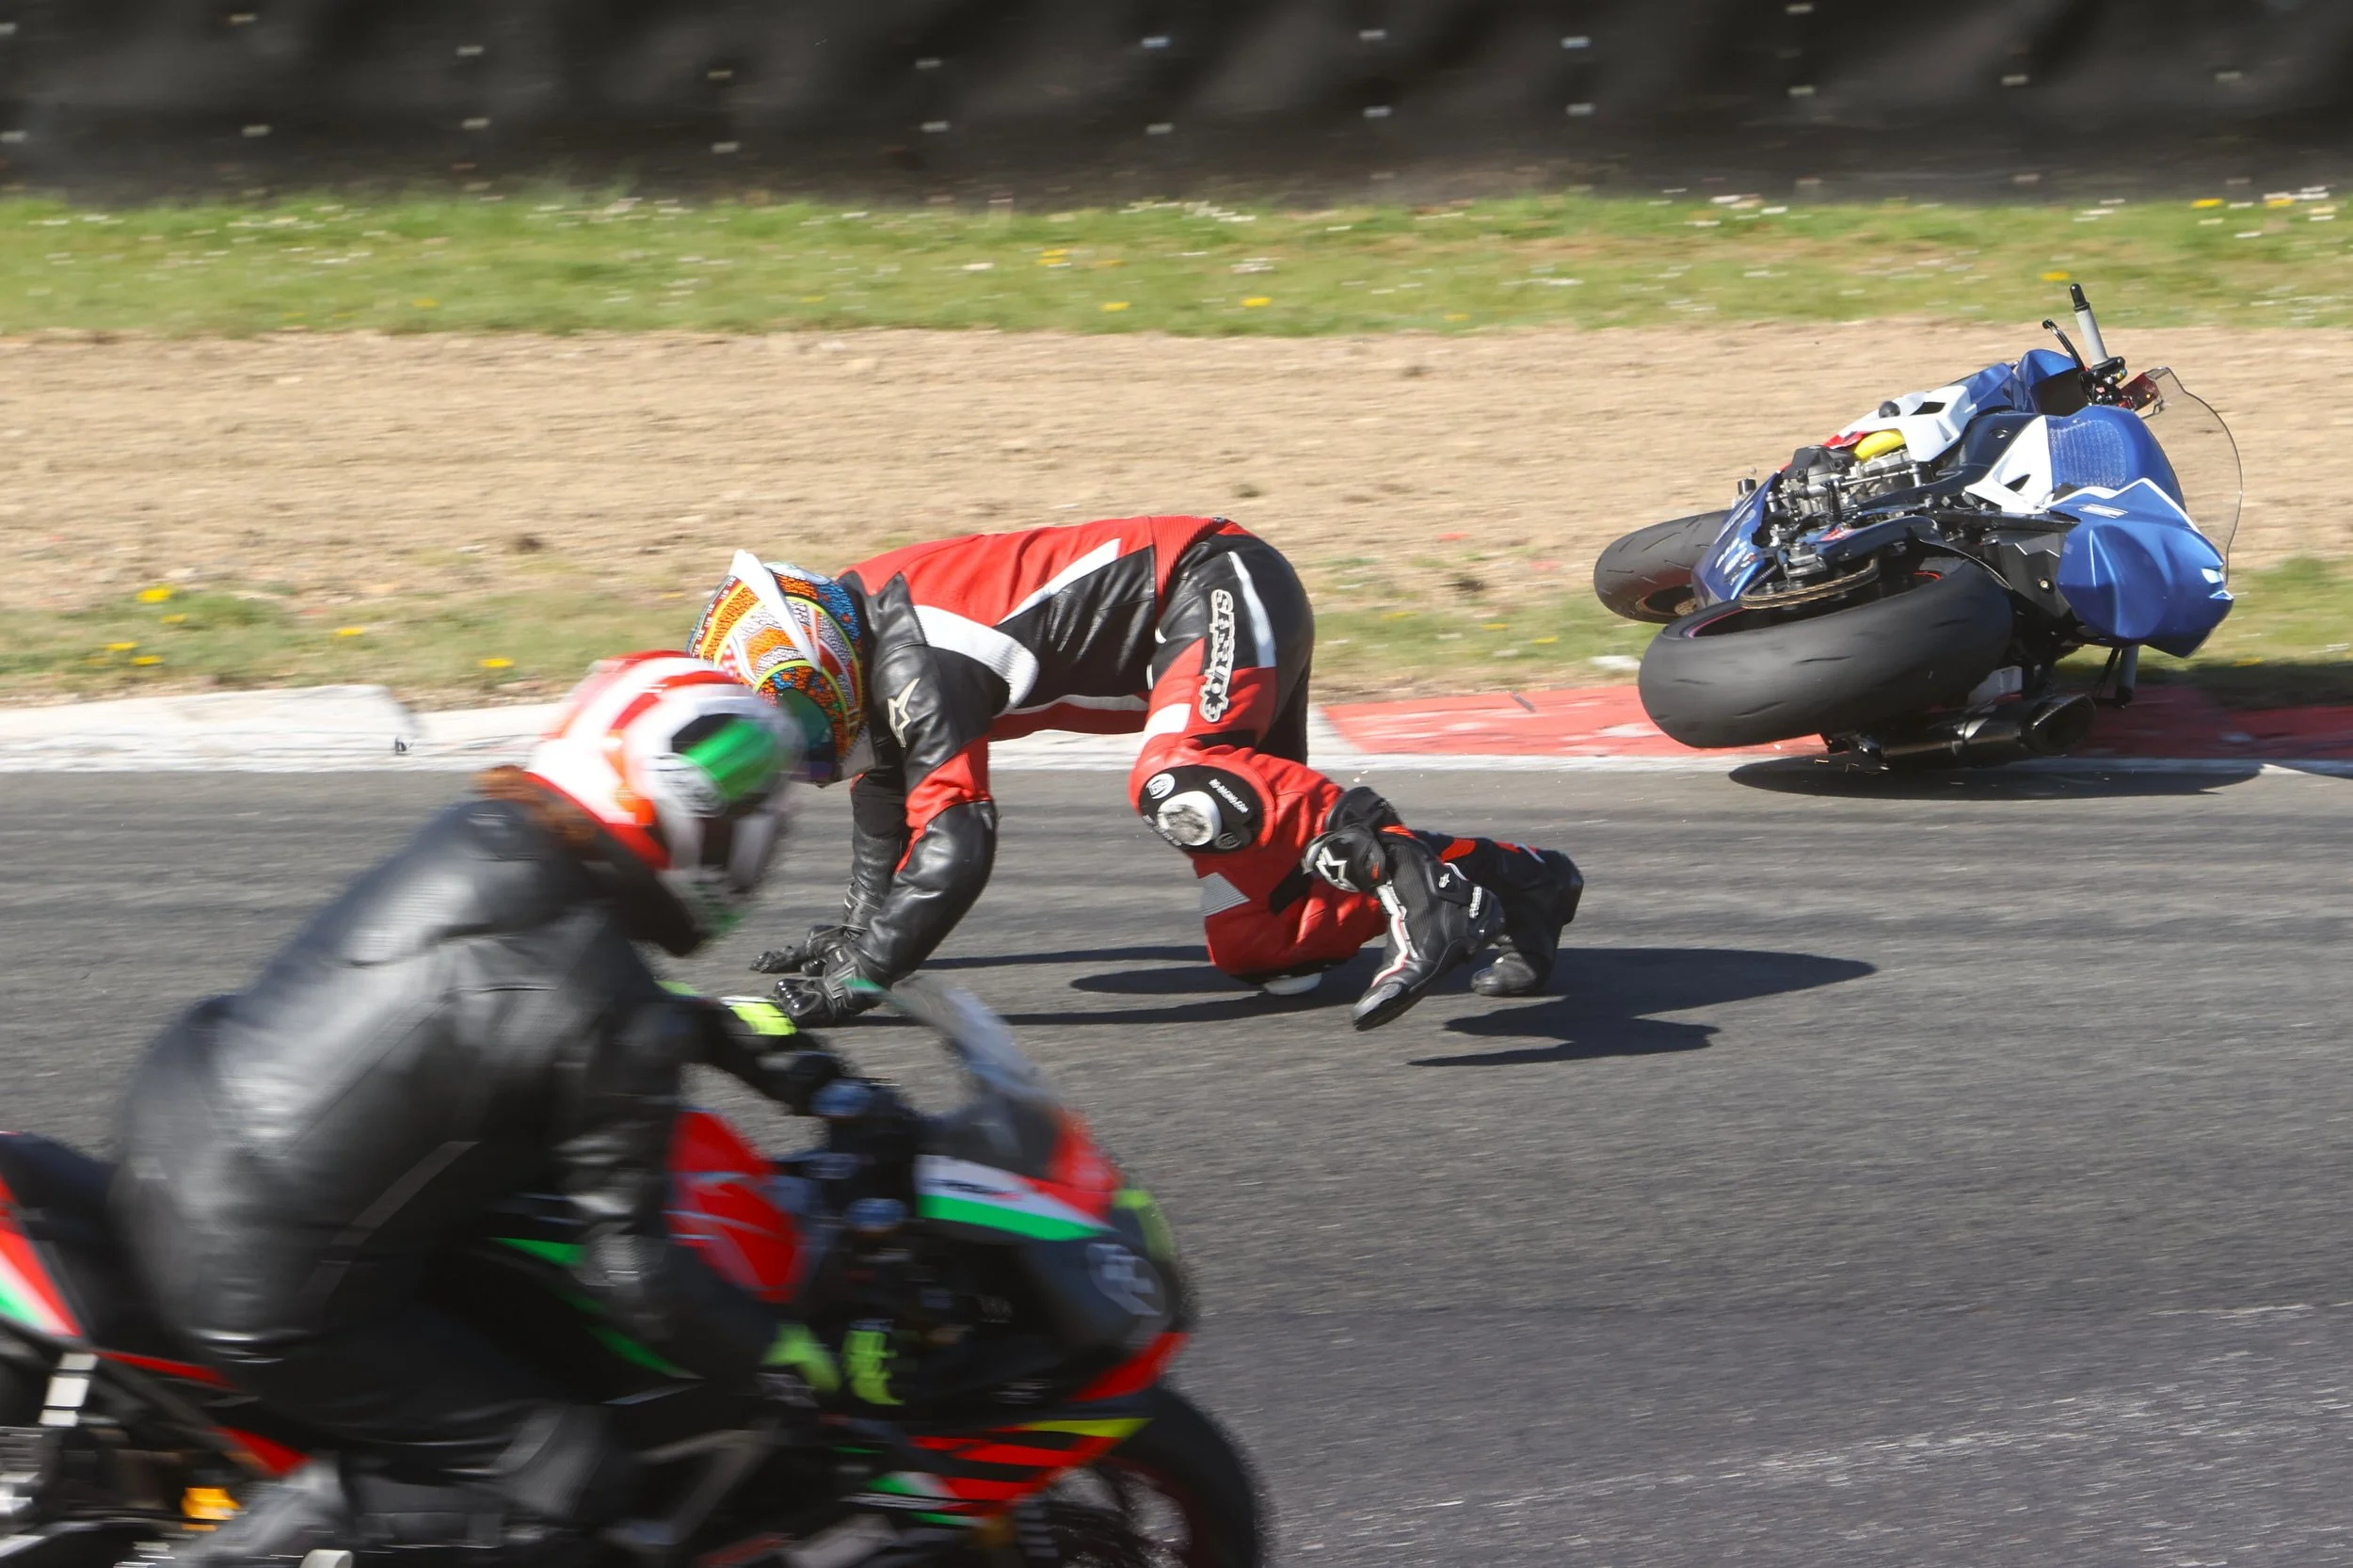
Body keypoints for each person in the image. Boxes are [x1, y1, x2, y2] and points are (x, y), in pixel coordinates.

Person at [112, 652, 827, 1566]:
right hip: (259, 1277)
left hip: (178, 1129)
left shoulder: (488, 836)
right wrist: (778, 1353)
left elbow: (515, 1009)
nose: (763, 825)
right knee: (573, 1477)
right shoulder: (607, 1002)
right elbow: (630, 1269)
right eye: (745, 797)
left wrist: (775, 1061)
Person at [686, 517, 1583, 1032]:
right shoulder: (868, 652)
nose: (804, 758)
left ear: (819, 658)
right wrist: (854, 932)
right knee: (1263, 944)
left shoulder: (912, 658)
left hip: (1215, 582)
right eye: (780, 745)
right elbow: (891, 806)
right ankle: (1518, 879)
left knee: (1177, 781)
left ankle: (1410, 875)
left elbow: (957, 840)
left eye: (800, 719)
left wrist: (864, 978)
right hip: (1191, 642)